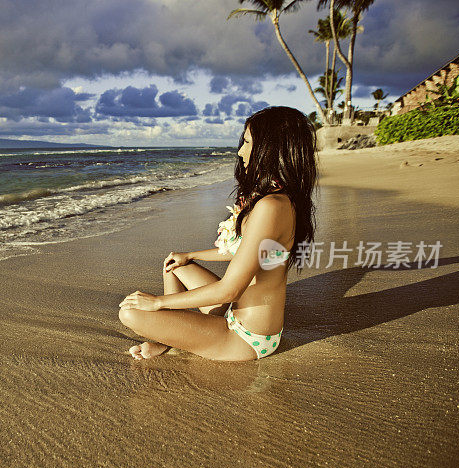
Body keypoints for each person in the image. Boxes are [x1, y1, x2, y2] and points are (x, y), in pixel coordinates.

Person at [118, 106, 317, 361]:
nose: (240, 151)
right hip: (237, 315)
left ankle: (170, 337)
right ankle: (170, 336)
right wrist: (190, 255)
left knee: (131, 314)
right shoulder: (278, 199)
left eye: (247, 142)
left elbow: (229, 291)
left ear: (271, 149)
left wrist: (157, 303)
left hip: (246, 337)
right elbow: (245, 252)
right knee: (174, 265)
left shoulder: (272, 207)